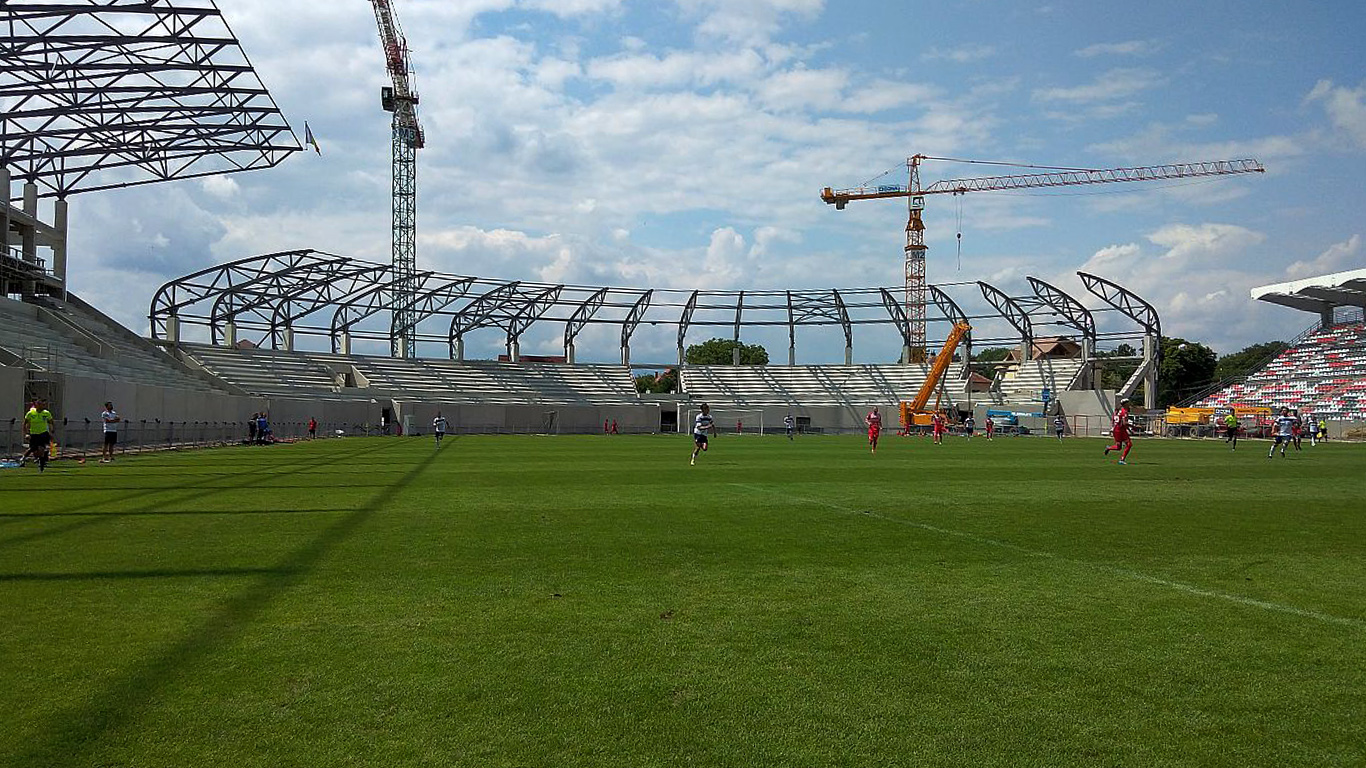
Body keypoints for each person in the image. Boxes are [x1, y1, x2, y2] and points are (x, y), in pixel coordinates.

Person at [23, 399, 55, 472]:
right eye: (40, 404)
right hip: (34, 434)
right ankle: (25, 458)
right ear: (36, 405)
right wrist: (26, 434)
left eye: (43, 404)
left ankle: (41, 463)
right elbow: (25, 424)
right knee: (33, 449)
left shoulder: (46, 413)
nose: (42, 406)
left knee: (41, 448)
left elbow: (51, 422)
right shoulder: (30, 413)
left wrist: (52, 430)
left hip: (43, 433)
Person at [1104, 398, 1134, 465]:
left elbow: (1115, 421)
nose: (1129, 404)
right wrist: (1135, 427)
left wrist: (1129, 430)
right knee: (1129, 444)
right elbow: (1124, 423)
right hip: (1121, 431)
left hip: (1116, 430)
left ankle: (1109, 448)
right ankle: (1122, 460)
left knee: (1118, 447)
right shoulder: (1124, 411)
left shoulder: (1118, 411)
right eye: (1128, 403)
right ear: (1126, 404)